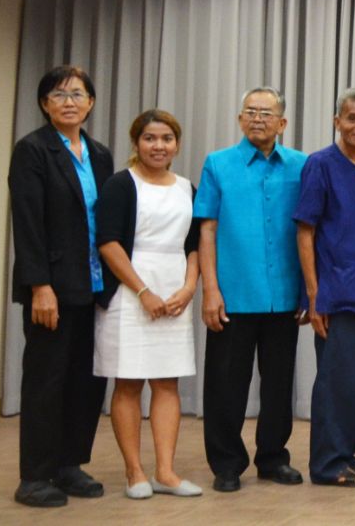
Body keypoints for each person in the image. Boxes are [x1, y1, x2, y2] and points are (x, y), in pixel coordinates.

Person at [195, 86, 308, 493]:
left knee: (279, 384)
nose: (258, 118)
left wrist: (308, 291)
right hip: (233, 294)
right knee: (226, 384)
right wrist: (210, 289)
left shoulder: (301, 165)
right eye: (250, 111)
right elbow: (206, 229)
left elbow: (309, 231)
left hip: (284, 295)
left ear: (283, 122)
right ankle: (226, 463)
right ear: (240, 118)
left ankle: (273, 458)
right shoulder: (218, 164)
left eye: (267, 112)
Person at [9, 66, 113, 508]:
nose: (69, 101)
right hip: (52, 287)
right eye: (58, 93)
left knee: (85, 382)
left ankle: (70, 464)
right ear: (44, 103)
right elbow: (28, 223)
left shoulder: (101, 154)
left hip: (94, 287)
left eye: (78, 93)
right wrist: (39, 286)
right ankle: (35, 475)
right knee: (45, 383)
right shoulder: (32, 150)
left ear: (91, 103)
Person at [94, 110, 202, 499]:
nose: (159, 146)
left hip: (175, 291)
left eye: (167, 139)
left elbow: (194, 246)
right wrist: (143, 292)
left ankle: (167, 472)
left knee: (167, 381)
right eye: (150, 139)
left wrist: (189, 287)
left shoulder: (188, 188)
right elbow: (108, 243)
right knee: (128, 381)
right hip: (130, 291)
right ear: (136, 142)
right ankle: (134, 471)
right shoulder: (121, 185)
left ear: (177, 144)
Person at [296, 89, 355, 488]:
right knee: (335, 383)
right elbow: (305, 231)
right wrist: (313, 295)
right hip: (335, 292)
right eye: (352, 118)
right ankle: (327, 464)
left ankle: (347, 454)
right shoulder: (320, 165)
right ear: (337, 122)